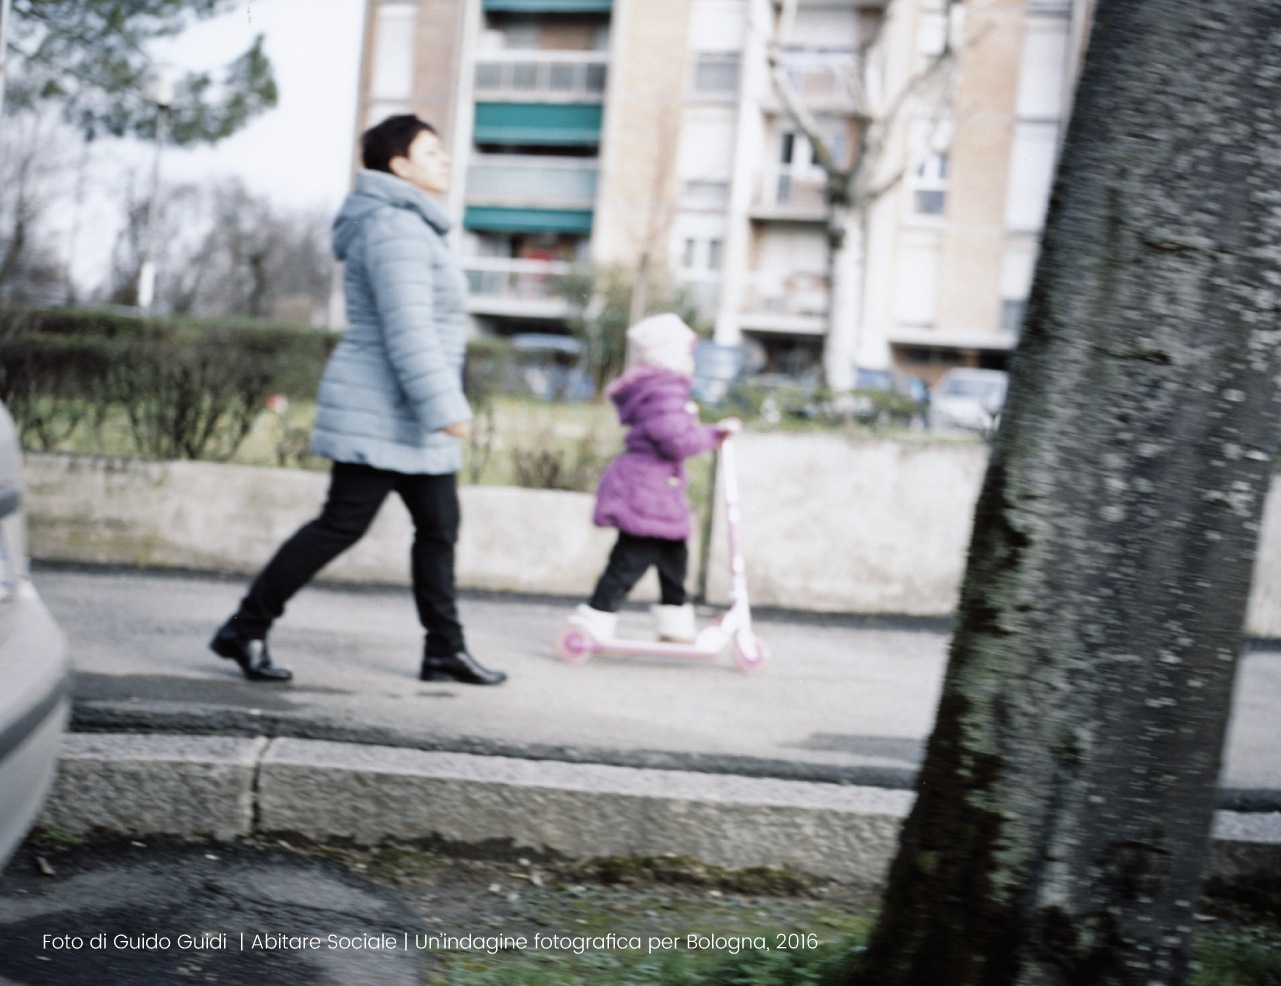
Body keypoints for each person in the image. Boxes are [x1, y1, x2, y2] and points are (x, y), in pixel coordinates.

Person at [210, 114, 505, 686]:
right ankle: (243, 629)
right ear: (399, 165)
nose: (445, 160)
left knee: (439, 527)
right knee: (341, 526)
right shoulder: (394, 229)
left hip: (410, 416)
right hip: (382, 410)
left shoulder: (413, 227)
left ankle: (444, 649)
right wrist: (446, 406)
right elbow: (408, 328)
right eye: (432, 152)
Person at [568, 314, 740, 644]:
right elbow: (676, 440)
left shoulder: (663, 389)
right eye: (687, 352)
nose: (691, 359)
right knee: (631, 557)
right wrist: (715, 433)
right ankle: (596, 616)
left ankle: (675, 622)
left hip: (657, 489)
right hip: (647, 490)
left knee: (674, 556)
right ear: (670, 355)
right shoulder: (664, 391)